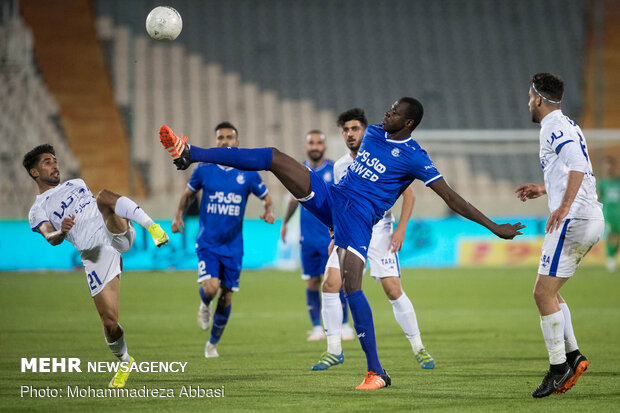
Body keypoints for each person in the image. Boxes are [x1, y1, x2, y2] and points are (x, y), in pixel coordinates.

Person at [160, 97, 523, 389]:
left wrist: (494, 227)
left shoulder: (416, 157)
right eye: (390, 108)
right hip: (334, 198)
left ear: (409, 122)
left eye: (396, 111)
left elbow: (452, 198)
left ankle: (376, 372)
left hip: (358, 220)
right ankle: (190, 152)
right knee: (273, 157)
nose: (388, 112)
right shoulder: (377, 132)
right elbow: (360, 147)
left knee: (352, 286)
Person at [24, 144, 169, 388]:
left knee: (103, 197)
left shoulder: (77, 183)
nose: (54, 165)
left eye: (54, 160)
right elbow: (50, 238)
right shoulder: (37, 210)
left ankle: (152, 227)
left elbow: (103, 207)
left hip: (112, 231)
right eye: (47, 162)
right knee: (110, 322)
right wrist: (62, 230)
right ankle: (124, 360)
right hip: (95, 255)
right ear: (34, 172)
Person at [311, 108, 434, 371]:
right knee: (330, 284)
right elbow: (338, 202)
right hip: (350, 229)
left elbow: (408, 194)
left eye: (355, 129)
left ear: (365, 131)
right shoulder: (341, 166)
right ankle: (334, 349)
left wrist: (400, 229)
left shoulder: (382, 153)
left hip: (380, 231)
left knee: (392, 289)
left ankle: (418, 347)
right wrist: (333, 233)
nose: (350, 134)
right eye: (345, 130)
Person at [515, 73, 604, 398]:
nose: (528, 102)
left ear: (538, 99)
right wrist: (544, 189)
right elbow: (572, 168)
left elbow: (579, 165)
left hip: (575, 217)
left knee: (541, 294)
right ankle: (573, 356)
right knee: (552, 293)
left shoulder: (552, 126)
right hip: (589, 216)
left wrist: (563, 205)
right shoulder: (568, 124)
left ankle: (558, 368)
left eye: (529, 97)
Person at [171, 122, 275, 358]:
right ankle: (204, 303)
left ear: (237, 142)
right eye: (220, 138)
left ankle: (212, 344)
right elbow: (188, 194)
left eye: (229, 137)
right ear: (216, 141)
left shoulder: (248, 172)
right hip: (208, 242)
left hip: (234, 245)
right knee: (211, 287)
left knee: (227, 295)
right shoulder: (204, 169)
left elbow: (266, 197)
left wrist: (268, 210)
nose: (225, 141)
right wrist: (177, 217)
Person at [280, 130, 354, 341]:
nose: (314, 146)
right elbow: (295, 199)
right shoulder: (300, 170)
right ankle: (316, 328)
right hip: (308, 239)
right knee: (312, 283)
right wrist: (284, 222)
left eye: (318, 143)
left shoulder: (335, 169)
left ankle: (344, 325)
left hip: (331, 238)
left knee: (337, 282)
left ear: (324, 146)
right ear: (306, 146)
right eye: (311, 142)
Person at [597, 156, 620, 272]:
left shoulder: (618, 182)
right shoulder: (602, 183)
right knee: (612, 237)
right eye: (606, 165)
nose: (608, 167)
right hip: (609, 215)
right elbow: (599, 199)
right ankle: (611, 259)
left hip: (619, 213)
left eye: (610, 164)